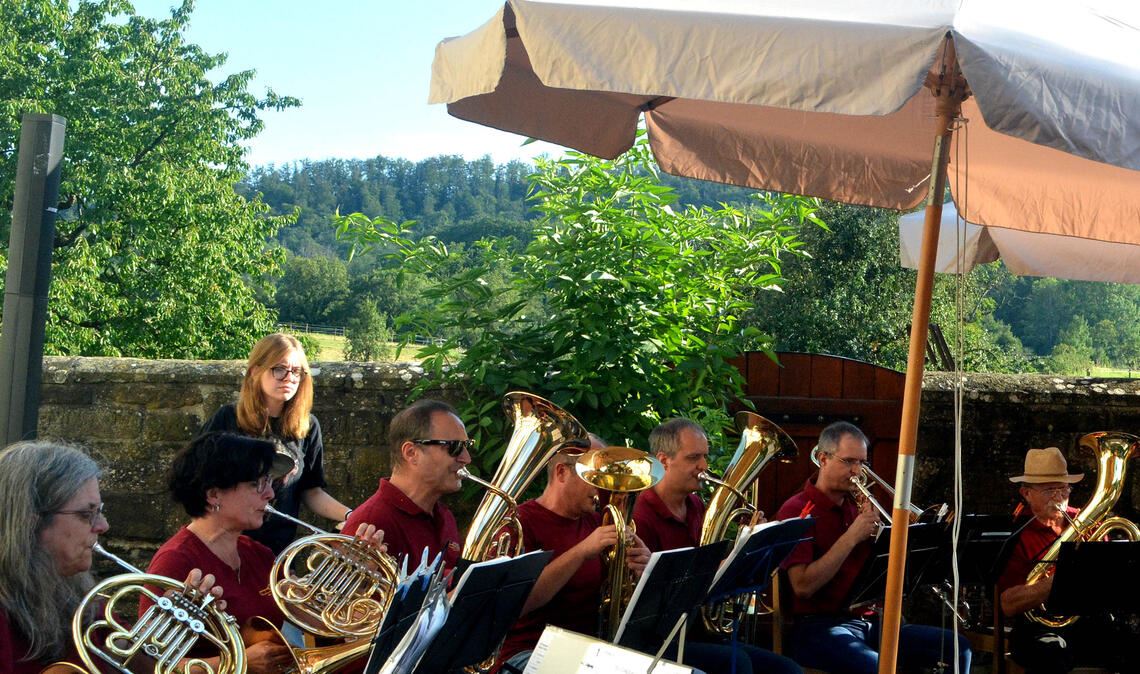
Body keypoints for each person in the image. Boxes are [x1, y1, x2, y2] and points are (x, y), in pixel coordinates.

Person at [0, 441, 221, 674]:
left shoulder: (79, 594)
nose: (103, 525)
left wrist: (170, 622)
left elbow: (130, 662)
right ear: (30, 523)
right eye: (86, 514)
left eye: (100, 511)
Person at [774, 421, 971, 674]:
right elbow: (802, 586)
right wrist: (852, 536)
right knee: (878, 667)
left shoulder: (857, 507)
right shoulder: (796, 511)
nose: (857, 471)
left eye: (862, 463)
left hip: (869, 621)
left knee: (958, 647)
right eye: (848, 462)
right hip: (817, 626)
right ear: (823, 459)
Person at [632, 418, 802, 674]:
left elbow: (713, 563)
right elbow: (653, 594)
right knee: (738, 664)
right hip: (659, 640)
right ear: (664, 460)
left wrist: (749, 542)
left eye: (705, 457)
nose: (704, 466)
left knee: (787, 669)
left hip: (697, 629)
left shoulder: (696, 506)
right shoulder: (641, 514)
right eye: (694, 458)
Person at [495, 434, 651, 673]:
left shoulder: (597, 521)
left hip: (589, 652)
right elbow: (514, 604)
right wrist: (581, 552)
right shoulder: (520, 523)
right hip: (528, 652)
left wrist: (642, 570)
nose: (603, 487)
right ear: (561, 473)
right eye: (594, 475)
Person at [201, 333, 350, 554]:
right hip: (226, 545)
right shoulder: (228, 419)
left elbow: (311, 492)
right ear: (255, 372)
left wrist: (353, 516)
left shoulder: (308, 427)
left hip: (278, 552)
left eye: (296, 371)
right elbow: (198, 482)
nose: (289, 377)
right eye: (279, 369)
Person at [997, 446, 1125, 674]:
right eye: (1049, 490)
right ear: (1026, 493)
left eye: (1063, 488)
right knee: (1052, 653)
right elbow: (1008, 604)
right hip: (1037, 626)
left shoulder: (1086, 522)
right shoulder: (1014, 533)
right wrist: (1059, 580)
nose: (1059, 496)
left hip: (1089, 620)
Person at [345, 399, 470, 571]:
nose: (466, 458)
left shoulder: (443, 516)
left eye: (466, 445)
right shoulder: (370, 523)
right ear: (411, 453)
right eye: (454, 447)